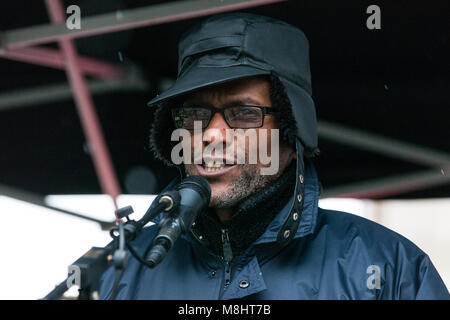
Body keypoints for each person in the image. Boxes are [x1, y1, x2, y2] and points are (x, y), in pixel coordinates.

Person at [99, 12, 449, 299]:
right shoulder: (122, 272)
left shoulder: (389, 268)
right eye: (195, 115)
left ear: (291, 131)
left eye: (245, 114)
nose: (212, 135)